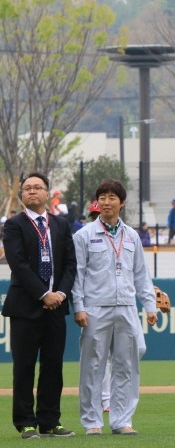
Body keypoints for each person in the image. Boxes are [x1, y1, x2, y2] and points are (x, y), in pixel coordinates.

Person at [72, 179, 158, 435]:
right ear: (97, 203)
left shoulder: (132, 236)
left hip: (127, 307)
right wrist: (78, 306)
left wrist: (150, 305)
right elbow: (77, 274)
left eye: (112, 197)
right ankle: (92, 422)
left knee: (126, 366)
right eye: (102, 197)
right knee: (92, 367)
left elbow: (141, 274)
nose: (106, 202)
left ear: (122, 202)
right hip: (95, 308)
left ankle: (122, 420)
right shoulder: (84, 235)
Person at [1, 172, 77, 439]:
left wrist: (61, 295)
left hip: (57, 307)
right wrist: (44, 293)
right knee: (24, 367)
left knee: (53, 366)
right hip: (25, 307)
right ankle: (26, 423)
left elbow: (70, 264)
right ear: (22, 195)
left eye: (37, 188)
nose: (32, 192)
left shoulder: (60, 225)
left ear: (47, 193)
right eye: (27, 188)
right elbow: (18, 264)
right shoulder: (13, 225)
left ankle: (50, 421)